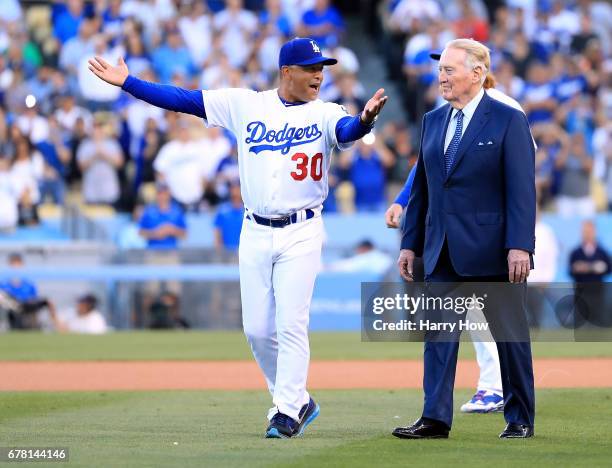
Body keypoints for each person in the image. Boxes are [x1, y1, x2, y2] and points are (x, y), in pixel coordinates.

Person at [88, 36, 387, 438]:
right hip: (255, 229)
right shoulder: (247, 104)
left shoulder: (325, 112)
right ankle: (297, 401)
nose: (319, 75)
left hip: (302, 229)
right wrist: (130, 83)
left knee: (291, 323)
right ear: (287, 72)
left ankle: (286, 410)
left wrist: (365, 121)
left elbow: (348, 129)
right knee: (256, 330)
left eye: (322, 68)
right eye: (311, 68)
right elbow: (184, 99)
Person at [394, 39, 536, 440]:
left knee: (510, 339)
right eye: (440, 71)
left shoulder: (508, 119)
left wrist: (520, 245)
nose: (442, 77)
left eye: (450, 70)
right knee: (438, 338)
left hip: (495, 253)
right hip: (441, 251)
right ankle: (435, 418)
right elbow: (422, 188)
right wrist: (410, 243)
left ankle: (519, 418)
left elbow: (522, 190)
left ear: (477, 73)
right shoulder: (432, 122)